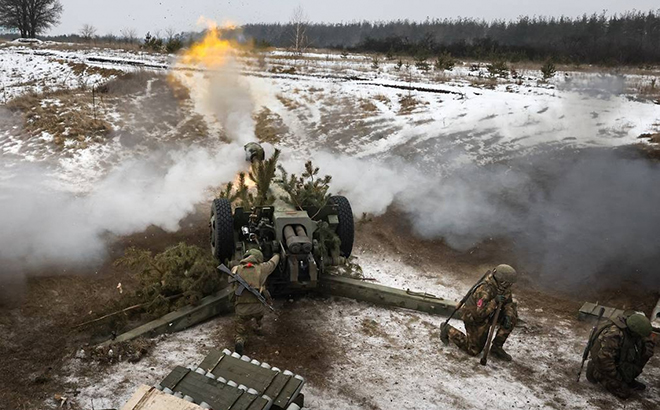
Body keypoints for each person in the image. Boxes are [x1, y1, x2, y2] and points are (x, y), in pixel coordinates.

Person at [440, 264, 518, 361]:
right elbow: (480, 314)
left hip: (490, 312)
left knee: (512, 317)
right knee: (473, 350)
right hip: (473, 316)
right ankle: (448, 329)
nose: (510, 286)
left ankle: (496, 348)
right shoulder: (484, 290)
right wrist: (495, 302)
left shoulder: (503, 287)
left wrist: (508, 315)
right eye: (508, 283)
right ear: (502, 280)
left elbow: (508, 303)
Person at [586, 312, 655, 399]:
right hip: (602, 367)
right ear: (633, 331)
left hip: (618, 362)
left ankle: (627, 379)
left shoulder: (634, 331)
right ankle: (596, 373)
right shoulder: (613, 334)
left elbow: (647, 341)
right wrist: (617, 381)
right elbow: (604, 361)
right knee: (624, 394)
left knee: (644, 351)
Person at [231, 249, 280, 355]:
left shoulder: (235, 269)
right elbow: (273, 263)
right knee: (259, 314)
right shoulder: (263, 268)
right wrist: (277, 254)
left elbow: (232, 289)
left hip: (241, 309)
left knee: (240, 325)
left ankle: (240, 339)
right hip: (258, 309)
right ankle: (259, 326)